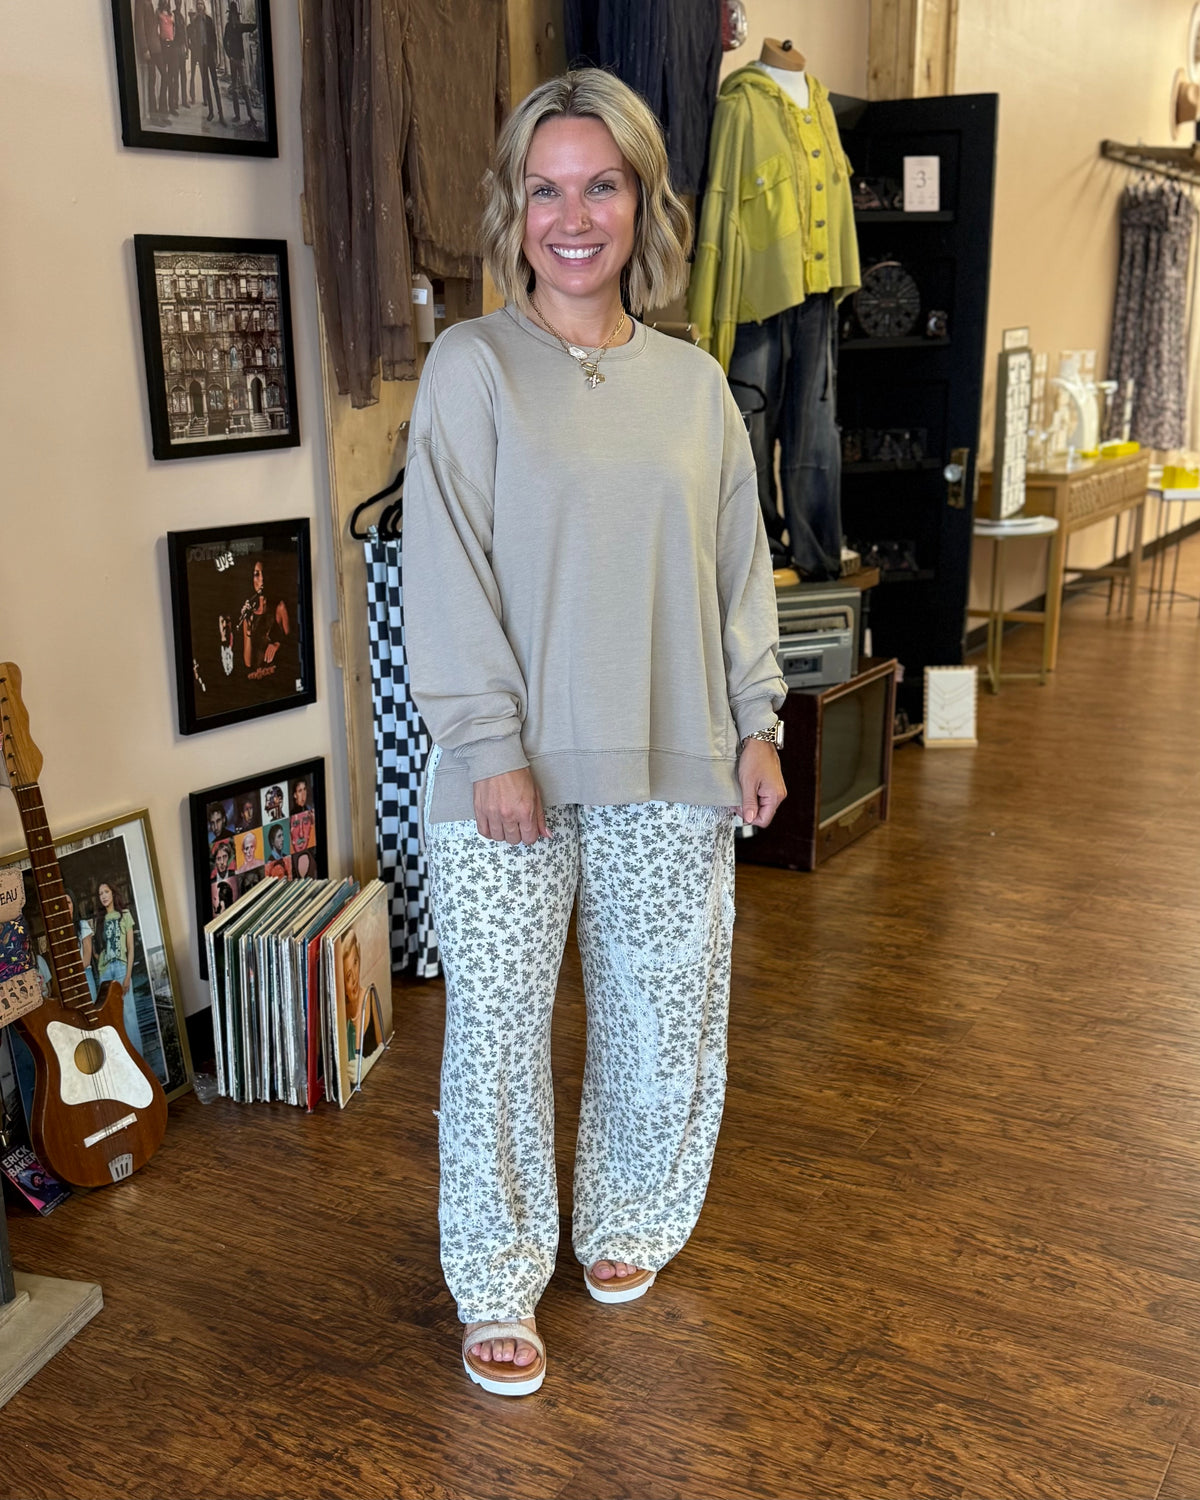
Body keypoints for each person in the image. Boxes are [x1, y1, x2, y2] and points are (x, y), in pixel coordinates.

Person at [403, 69, 786, 1398]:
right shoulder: (471, 368)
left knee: (661, 1009)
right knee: (498, 1034)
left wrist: (756, 723)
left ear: (642, 202)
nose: (574, 218)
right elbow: (443, 570)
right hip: (506, 771)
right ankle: (498, 1275)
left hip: (675, 759)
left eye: (602, 185)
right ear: (514, 209)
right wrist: (489, 745)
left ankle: (629, 1214)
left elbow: (737, 575)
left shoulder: (696, 388)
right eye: (547, 189)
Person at [95, 881, 144, 1056]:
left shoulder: (125, 915)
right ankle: (122, 1058)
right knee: (112, 1016)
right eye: (100, 894)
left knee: (129, 1014)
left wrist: (128, 975)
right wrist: (100, 964)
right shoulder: (100, 921)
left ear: (113, 893)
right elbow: (99, 948)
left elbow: (130, 948)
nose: (103, 896)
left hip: (122, 968)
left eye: (106, 892)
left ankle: (138, 1057)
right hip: (105, 972)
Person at [341, 927, 383, 1084]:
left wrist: (369, 1063)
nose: (354, 979)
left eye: (355, 962)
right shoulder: (338, 1013)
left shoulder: (370, 996)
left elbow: (383, 1045)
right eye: (348, 976)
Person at [239, 559, 291, 680]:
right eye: (257, 574)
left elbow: (292, 643)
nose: (262, 579)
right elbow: (248, 663)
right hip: (257, 680)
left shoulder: (279, 607)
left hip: (277, 677)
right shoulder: (249, 615)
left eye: (264, 573)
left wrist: (277, 644)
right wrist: (249, 632)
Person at [223, 1, 258, 125]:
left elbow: (250, 27)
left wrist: (230, 56)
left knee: (241, 88)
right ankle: (244, 115)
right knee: (239, 88)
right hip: (236, 60)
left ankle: (246, 115)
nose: (233, 16)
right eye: (233, 14)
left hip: (237, 60)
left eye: (234, 14)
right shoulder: (232, 26)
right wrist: (230, 56)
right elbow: (224, 42)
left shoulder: (235, 26)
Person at [192, 0, 224, 124]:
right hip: (202, 55)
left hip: (210, 54)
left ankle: (221, 113)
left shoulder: (209, 20)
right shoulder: (195, 21)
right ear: (197, 7)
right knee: (206, 84)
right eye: (198, 4)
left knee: (215, 84)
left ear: (204, 6)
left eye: (201, 4)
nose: (200, 6)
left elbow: (214, 38)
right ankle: (211, 112)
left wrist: (215, 55)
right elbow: (193, 39)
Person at [63, 890, 98, 1002]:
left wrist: (74, 972)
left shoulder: (83, 925)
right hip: (69, 980)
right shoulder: (61, 932)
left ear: (73, 904)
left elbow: (87, 958)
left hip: (84, 974)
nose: (66, 907)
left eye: (68, 903)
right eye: (63, 904)